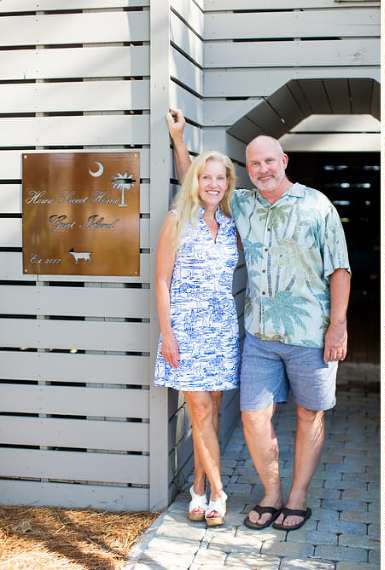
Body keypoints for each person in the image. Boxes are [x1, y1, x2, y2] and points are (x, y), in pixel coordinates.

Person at [166, 108, 351, 532]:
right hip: (259, 336)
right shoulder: (242, 205)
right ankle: (271, 493)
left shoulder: (316, 205)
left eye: (269, 160)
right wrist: (179, 141)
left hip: (311, 334)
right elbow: (199, 186)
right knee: (252, 415)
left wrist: (338, 325)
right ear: (247, 170)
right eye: (254, 163)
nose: (262, 168)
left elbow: (339, 269)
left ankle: (297, 498)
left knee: (310, 415)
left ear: (284, 161)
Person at [154, 151, 240, 527]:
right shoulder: (178, 220)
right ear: (195, 181)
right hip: (186, 330)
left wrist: (177, 138)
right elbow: (161, 280)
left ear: (228, 183)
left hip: (222, 331)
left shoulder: (229, 223)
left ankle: (198, 488)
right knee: (201, 411)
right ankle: (220, 493)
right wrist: (168, 334)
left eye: (220, 178)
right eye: (206, 177)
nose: (213, 184)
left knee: (212, 411)